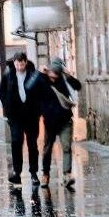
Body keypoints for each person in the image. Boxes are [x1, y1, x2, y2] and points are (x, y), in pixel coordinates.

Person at [0, 52, 44, 187]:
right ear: (14, 63)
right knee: (16, 142)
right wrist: (7, 105)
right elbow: (1, 91)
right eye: (17, 64)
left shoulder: (34, 75)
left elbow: (42, 91)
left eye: (22, 64)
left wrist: (39, 109)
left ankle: (33, 172)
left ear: (26, 62)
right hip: (15, 115)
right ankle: (17, 173)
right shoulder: (9, 75)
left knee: (32, 144)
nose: (19, 66)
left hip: (31, 115)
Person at [40, 58, 83, 188]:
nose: (53, 77)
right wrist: (40, 73)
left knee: (66, 147)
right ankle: (45, 175)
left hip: (65, 120)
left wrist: (68, 75)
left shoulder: (64, 80)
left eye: (55, 74)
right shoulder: (43, 80)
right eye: (51, 74)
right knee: (47, 149)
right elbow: (31, 85)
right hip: (50, 122)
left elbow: (78, 86)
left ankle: (67, 175)